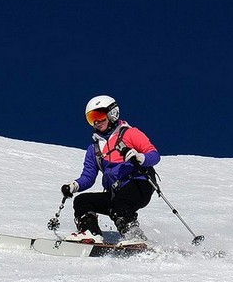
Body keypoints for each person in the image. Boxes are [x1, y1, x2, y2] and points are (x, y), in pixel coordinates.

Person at [60, 95, 160, 242]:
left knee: (120, 204)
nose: (96, 122)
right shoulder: (94, 149)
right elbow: (88, 177)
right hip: (116, 192)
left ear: (112, 114)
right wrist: (74, 185)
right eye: (91, 118)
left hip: (139, 184)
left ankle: (134, 236)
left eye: (99, 116)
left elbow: (154, 155)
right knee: (82, 200)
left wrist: (140, 157)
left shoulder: (130, 133)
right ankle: (90, 232)